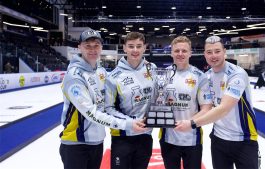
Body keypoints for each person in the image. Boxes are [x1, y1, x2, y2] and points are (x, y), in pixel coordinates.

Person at [59, 29, 146, 169]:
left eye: (96, 45)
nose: (92, 50)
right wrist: (128, 124)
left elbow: (107, 105)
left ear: (101, 47)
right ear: (79, 47)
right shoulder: (74, 77)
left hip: (97, 141)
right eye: (88, 46)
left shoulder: (100, 71)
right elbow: (92, 113)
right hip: (76, 143)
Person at [176, 35, 259, 169]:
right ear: (204, 54)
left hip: (244, 139)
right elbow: (207, 107)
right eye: (209, 52)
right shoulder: (206, 76)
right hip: (218, 140)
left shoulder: (237, 74)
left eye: (217, 51)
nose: (213, 55)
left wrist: (192, 124)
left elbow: (224, 108)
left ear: (224, 51)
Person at [159, 36, 212, 169]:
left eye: (184, 50)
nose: (180, 54)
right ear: (171, 52)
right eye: (177, 51)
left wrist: (190, 123)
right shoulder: (163, 76)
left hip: (192, 138)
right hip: (168, 138)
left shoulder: (200, 76)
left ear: (190, 53)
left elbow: (206, 108)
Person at [105, 32, 156, 169]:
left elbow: (157, 99)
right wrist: (130, 122)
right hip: (122, 137)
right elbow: (108, 108)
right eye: (131, 46)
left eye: (139, 46)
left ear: (145, 48)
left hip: (145, 135)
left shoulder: (153, 69)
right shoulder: (113, 76)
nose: (135, 50)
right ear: (124, 48)